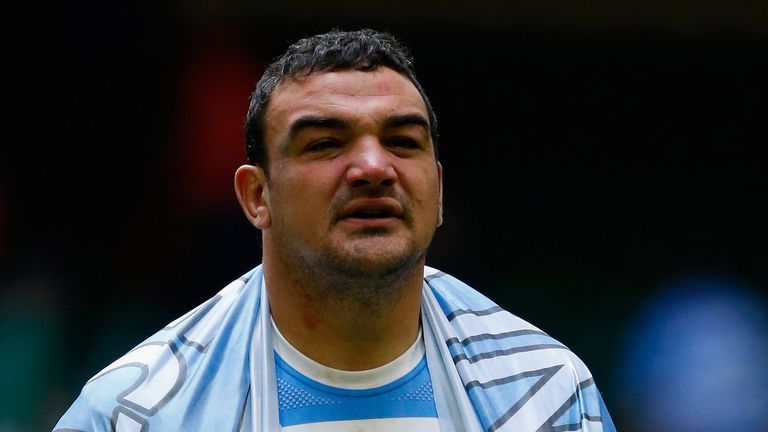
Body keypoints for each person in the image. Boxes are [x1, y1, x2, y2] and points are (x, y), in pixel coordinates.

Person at [54, 29, 616, 432]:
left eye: (402, 141)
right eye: (325, 143)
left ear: (438, 190)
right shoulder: (136, 413)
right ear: (256, 196)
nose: (374, 167)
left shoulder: (548, 395)